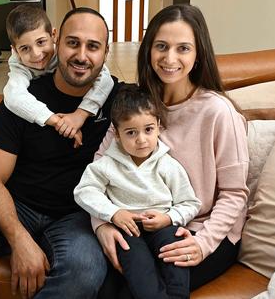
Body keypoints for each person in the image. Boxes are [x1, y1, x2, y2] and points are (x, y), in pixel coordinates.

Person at [0, 7, 117, 299]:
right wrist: (19, 238)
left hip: (76, 214)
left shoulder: (116, 100)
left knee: (85, 268)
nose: (82, 55)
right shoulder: (22, 98)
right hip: (17, 206)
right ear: (58, 42)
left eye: (93, 46)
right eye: (73, 43)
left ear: (106, 52)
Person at [94, 4, 250, 297]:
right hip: (143, 227)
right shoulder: (136, 106)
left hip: (203, 229)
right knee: (100, 287)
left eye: (183, 48)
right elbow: (100, 168)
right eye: (161, 46)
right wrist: (102, 222)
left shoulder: (218, 112)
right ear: (148, 50)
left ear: (198, 54)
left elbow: (235, 194)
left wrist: (202, 244)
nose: (170, 58)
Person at [74, 84, 201, 299]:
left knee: (175, 256)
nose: (141, 139)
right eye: (131, 133)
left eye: (148, 129)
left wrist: (168, 218)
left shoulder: (168, 165)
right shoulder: (107, 164)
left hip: (163, 226)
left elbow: (190, 203)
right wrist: (113, 213)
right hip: (128, 229)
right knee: (139, 268)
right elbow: (84, 191)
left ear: (158, 127)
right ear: (117, 135)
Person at [3, 5, 114, 146]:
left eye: (41, 42)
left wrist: (80, 114)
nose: (36, 54)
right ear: (15, 51)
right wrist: (57, 121)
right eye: (25, 48)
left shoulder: (60, 51)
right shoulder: (19, 65)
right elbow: (13, 96)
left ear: (54, 36)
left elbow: (105, 78)